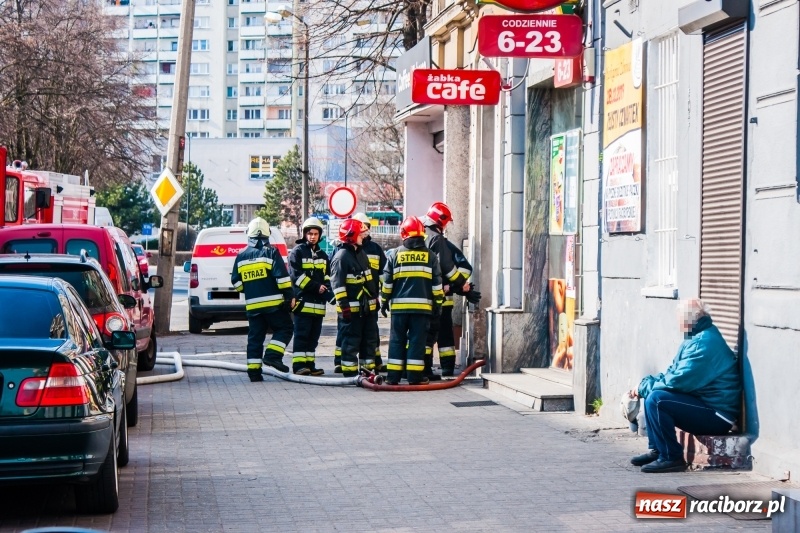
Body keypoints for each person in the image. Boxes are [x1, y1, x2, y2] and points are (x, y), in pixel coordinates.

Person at [630, 299, 742, 473]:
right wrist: (645, 383)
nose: (677, 322)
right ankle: (658, 450)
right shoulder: (697, 337)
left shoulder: (702, 343)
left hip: (718, 415)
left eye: (679, 318)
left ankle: (671, 457)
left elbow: (678, 381)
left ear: (689, 319)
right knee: (652, 390)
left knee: (656, 399)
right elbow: (672, 373)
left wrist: (645, 387)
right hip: (705, 405)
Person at [381, 216, 444, 386]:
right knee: (417, 342)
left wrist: (384, 301)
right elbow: (437, 284)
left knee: (396, 341)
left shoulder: (394, 255)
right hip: (422, 311)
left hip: (399, 310)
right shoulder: (430, 256)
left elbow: (387, 283)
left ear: (404, 234)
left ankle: (393, 377)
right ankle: (414, 378)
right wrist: (438, 303)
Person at [422, 201, 481, 378]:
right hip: (441, 298)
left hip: (423, 297)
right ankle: (446, 368)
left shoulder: (420, 238)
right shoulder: (438, 240)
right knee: (444, 335)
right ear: (441, 222)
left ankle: (423, 369)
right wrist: (461, 287)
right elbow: (450, 268)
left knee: (425, 335)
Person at [231, 217, 294, 381]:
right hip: (274, 305)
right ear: (268, 234)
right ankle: (272, 356)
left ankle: (254, 373)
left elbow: (236, 282)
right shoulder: (271, 252)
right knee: (285, 329)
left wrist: (251, 290)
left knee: (255, 338)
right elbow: (282, 279)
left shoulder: (241, 256)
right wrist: (289, 297)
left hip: (253, 306)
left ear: (248, 235)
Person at [329, 219, 379, 377]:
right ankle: (350, 374)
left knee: (368, 342)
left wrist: (375, 299)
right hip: (351, 310)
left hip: (366, 309)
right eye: (360, 234)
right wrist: (344, 307)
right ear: (351, 236)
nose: (363, 237)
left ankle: (367, 372)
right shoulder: (341, 257)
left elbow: (369, 279)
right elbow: (338, 285)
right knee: (350, 342)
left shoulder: (361, 254)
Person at [287, 217, 330, 376]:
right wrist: (317, 287)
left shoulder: (324, 255)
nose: (312, 236)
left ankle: (310, 365)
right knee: (301, 336)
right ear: (304, 234)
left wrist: (327, 290)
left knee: (313, 338)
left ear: (320, 235)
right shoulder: (297, 252)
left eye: (315, 233)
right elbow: (296, 277)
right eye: (310, 233)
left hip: (318, 306)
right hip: (303, 303)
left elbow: (327, 277)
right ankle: (299, 366)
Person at [352, 212, 387, 372]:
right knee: (351, 333)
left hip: (372, 298)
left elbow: (383, 275)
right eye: (362, 227)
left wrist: (384, 296)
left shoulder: (375, 249)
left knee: (372, 332)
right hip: (354, 299)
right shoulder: (348, 249)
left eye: (367, 227)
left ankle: (376, 361)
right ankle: (342, 362)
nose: (365, 230)